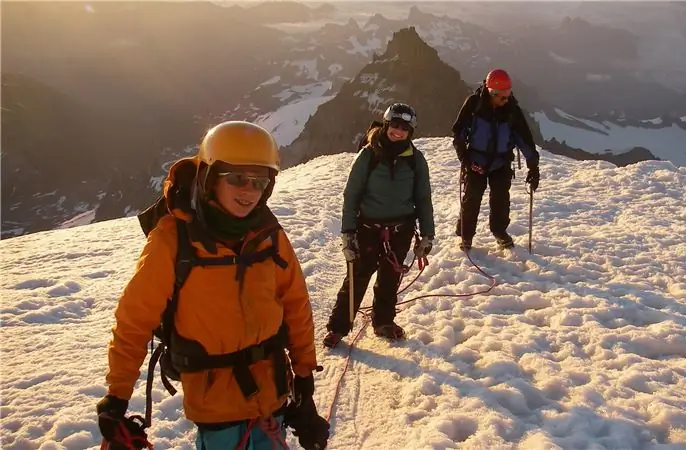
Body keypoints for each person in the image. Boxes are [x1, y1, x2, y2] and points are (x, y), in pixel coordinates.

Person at [96, 121, 329, 450]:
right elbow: (135, 321)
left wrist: (304, 382)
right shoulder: (172, 240)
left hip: (272, 391)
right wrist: (117, 398)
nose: (248, 190)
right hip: (214, 405)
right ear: (209, 178)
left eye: (259, 181)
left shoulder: (269, 235)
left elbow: (296, 306)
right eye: (236, 178)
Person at [323, 103, 435, 348]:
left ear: (410, 131)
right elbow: (351, 195)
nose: (398, 131)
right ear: (386, 125)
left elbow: (423, 198)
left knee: (390, 277)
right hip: (367, 228)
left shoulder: (415, 160)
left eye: (404, 127)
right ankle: (338, 327)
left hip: (400, 229)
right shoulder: (369, 154)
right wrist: (348, 232)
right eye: (394, 125)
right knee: (357, 276)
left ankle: (383, 322)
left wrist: (428, 234)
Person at [451, 68, 542, 250]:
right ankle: (466, 235)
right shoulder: (474, 104)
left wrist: (533, 166)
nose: (506, 100)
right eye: (502, 96)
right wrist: (465, 159)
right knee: (472, 197)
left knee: (501, 199)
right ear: (491, 92)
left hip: (501, 162)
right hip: (476, 161)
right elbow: (459, 133)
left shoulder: (511, 111)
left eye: (508, 95)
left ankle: (499, 231)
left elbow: (524, 139)